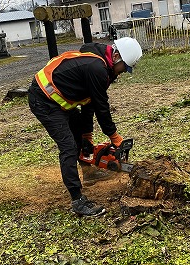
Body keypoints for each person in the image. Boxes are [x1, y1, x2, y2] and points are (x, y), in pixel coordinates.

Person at [28, 37, 142, 217]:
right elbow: (101, 106)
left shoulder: (101, 64)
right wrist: (114, 136)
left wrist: (87, 134)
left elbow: (89, 102)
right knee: (69, 147)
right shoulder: (97, 68)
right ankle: (77, 201)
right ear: (117, 56)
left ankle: (89, 173)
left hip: (62, 100)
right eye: (124, 68)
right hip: (44, 100)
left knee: (80, 137)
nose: (122, 73)